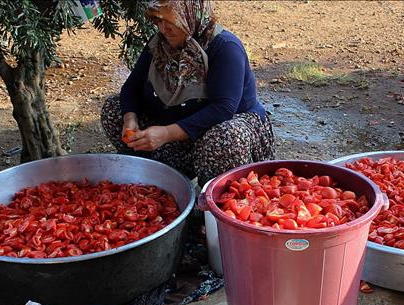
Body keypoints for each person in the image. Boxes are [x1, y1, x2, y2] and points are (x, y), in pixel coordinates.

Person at [101, 0, 274, 186]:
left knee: (225, 138)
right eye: (158, 20)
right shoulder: (159, 43)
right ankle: (153, 179)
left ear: (191, 14)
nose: (163, 28)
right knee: (114, 108)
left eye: (171, 21)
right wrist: (130, 121)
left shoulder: (225, 47)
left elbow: (223, 109)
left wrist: (166, 133)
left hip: (218, 131)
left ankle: (213, 197)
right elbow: (131, 87)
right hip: (173, 128)